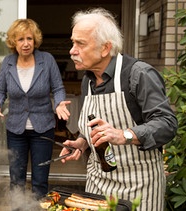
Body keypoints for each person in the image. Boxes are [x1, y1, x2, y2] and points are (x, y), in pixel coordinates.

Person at [59, 8, 178, 211]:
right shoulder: (87, 80)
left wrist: (125, 135)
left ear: (105, 48)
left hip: (140, 185)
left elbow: (167, 124)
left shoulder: (139, 75)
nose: (72, 50)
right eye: (73, 42)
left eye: (80, 43)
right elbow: (97, 126)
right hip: (98, 183)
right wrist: (83, 141)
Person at [0, 19, 70, 201]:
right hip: (15, 130)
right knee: (16, 180)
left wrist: (59, 103)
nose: (26, 44)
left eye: (29, 39)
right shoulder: (8, 63)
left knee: (40, 181)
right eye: (20, 39)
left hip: (43, 129)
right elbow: (0, 90)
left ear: (35, 40)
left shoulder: (46, 60)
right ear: (13, 42)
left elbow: (58, 88)